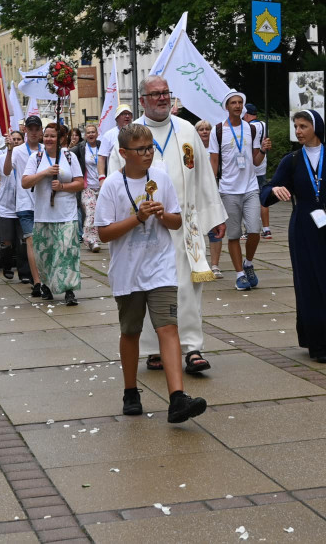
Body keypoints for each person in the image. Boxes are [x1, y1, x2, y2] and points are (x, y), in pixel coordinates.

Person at [107, 76, 227, 373]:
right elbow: (116, 180)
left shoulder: (186, 129)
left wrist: (214, 217)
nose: (162, 98)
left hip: (183, 227)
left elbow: (202, 178)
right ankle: (153, 350)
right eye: (155, 94)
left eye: (165, 93)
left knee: (187, 290)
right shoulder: (130, 134)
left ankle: (192, 348)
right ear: (143, 100)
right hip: (145, 230)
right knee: (147, 289)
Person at [95, 123, 208, 423]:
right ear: (123, 153)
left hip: (160, 268)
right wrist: (137, 217)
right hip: (128, 271)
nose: (147, 154)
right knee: (130, 332)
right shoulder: (112, 186)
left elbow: (176, 222)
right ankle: (130, 391)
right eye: (140, 150)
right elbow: (104, 233)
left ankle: (177, 398)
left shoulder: (160, 178)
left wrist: (163, 214)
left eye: (150, 148)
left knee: (168, 327)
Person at [261, 110, 326, 363]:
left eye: (303, 126)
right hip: (303, 228)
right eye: (296, 126)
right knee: (307, 285)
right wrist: (275, 189)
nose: (298, 131)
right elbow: (265, 192)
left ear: (316, 127)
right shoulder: (292, 160)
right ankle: (316, 344)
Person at [21, 123, 83, 305]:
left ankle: (69, 290)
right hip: (43, 215)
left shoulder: (69, 157)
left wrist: (63, 186)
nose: (48, 139)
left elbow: (80, 183)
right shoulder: (36, 158)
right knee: (45, 254)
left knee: (67, 253)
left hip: (67, 214)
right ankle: (46, 285)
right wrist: (45, 173)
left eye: (52, 136)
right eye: (46, 136)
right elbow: (25, 182)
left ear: (61, 139)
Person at [209, 90, 265, 291]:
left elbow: (256, 161)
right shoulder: (218, 131)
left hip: (250, 187)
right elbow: (214, 161)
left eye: (240, 102)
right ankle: (240, 275)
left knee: (254, 231)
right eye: (233, 102)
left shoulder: (250, 129)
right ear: (227, 107)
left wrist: (264, 150)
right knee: (233, 234)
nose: (238, 106)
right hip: (228, 189)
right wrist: (212, 187)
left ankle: (248, 263)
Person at [4, 116, 45, 295]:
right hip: (25, 204)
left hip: (44, 204)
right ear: (26, 130)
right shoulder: (18, 151)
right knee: (32, 242)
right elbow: (6, 171)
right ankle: (37, 282)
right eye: (31, 129)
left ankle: (45, 279)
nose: (34, 132)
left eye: (37, 129)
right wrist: (8, 151)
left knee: (45, 243)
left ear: (41, 131)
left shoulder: (47, 149)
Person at [0, 131, 25, 281]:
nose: (16, 142)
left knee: (23, 242)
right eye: (13, 139)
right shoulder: (0, 159)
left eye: (19, 139)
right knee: (7, 242)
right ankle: (7, 266)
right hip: (5, 207)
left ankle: (24, 272)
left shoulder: (28, 158)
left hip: (23, 206)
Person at [196, 119, 224, 278]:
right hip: (198, 193)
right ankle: (200, 262)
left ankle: (215, 265)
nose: (205, 132)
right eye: (201, 129)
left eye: (207, 129)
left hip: (214, 192)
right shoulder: (192, 149)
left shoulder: (216, 150)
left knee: (215, 228)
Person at [243, 103, 273, 240]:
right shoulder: (263, 124)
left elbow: (251, 147)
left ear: (247, 114)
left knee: (247, 199)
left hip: (251, 166)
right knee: (262, 198)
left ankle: (249, 230)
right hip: (262, 165)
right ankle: (266, 229)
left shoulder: (249, 127)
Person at [71, 123, 102, 252]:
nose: (91, 134)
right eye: (88, 132)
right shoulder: (81, 147)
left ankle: (93, 237)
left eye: (93, 132)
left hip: (101, 187)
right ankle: (91, 240)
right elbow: (67, 154)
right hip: (87, 187)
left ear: (97, 134)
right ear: (85, 135)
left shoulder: (102, 146)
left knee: (101, 215)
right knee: (91, 214)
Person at [97, 104, 133, 181]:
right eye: (123, 114)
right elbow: (101, 158)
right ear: (117, 118)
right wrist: (102, 178)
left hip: (134, 176)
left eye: (129, 114)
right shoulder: (109, 135)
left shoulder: (137, 133)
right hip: (115, 178)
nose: (127, 116)